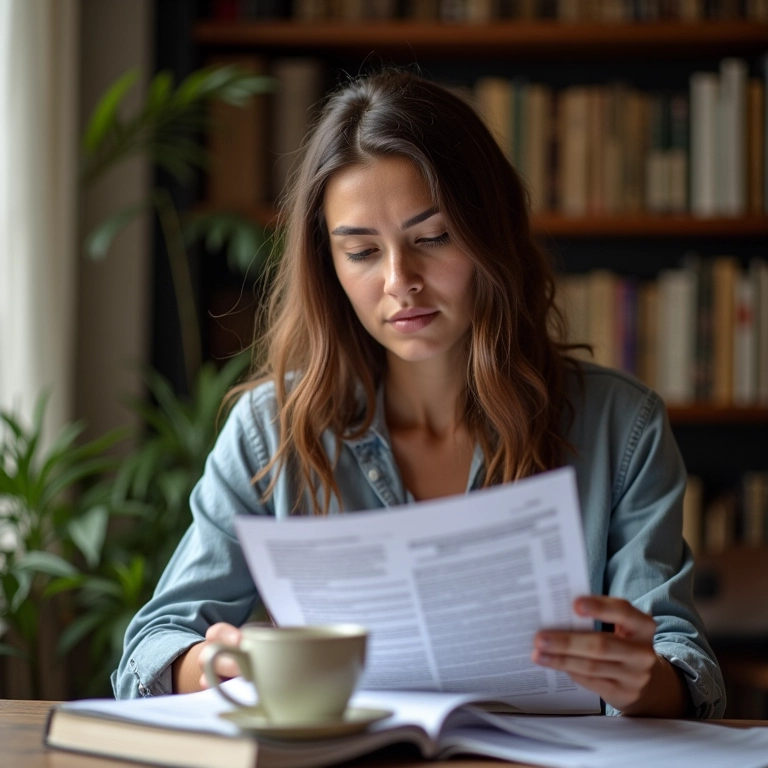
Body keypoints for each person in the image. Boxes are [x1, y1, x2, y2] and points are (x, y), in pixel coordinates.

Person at [112, 69, 725, 718]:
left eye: (432, 238)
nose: (400, 281)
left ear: (491, 233)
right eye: (362, 252)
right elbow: (150, 652)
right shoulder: (271, 432)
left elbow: (684, 665)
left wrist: (644, 681)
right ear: (329, 266)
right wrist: (217, 664)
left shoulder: (620, 427)